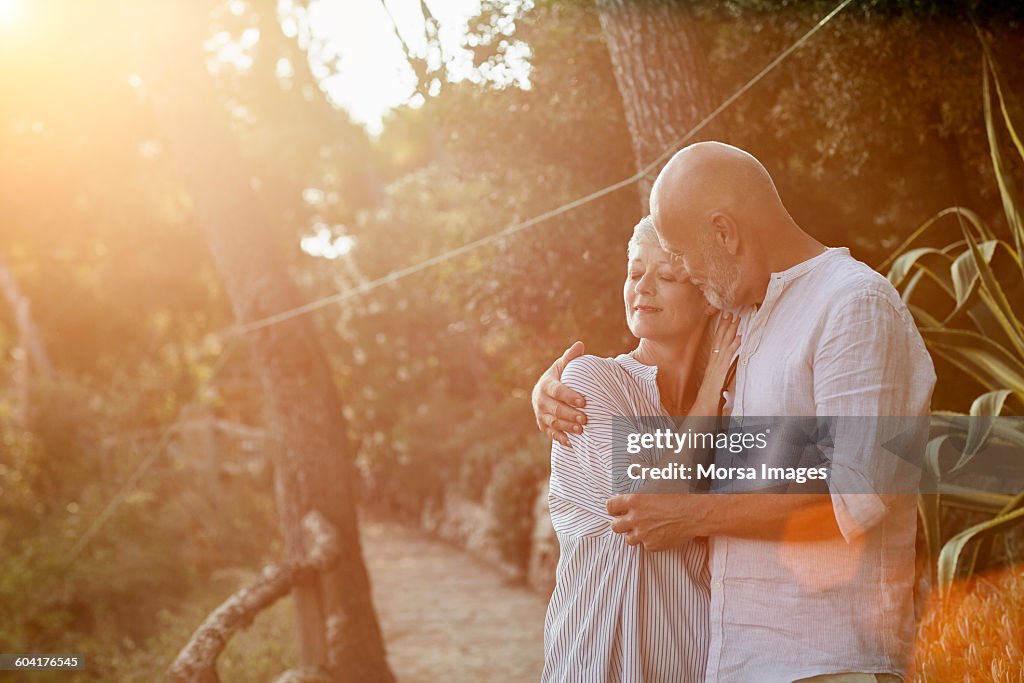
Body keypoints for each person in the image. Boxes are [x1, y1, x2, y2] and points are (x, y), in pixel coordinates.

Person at [533, 142, 936, 683]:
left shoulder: (852, 304)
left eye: (682, 262)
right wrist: (548, 391)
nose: (690, 274)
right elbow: (684, 469)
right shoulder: (751, 321)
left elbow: (858, 492)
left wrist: (693, 514)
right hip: (740, 662)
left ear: (724, 233)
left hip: (830, 661)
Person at [542, 215, 740, 682]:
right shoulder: (592, 380)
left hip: (697, 664)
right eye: (634, 273)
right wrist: (711, 389)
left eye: (667, 275)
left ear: (709, 297)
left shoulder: (741, 408)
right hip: (597, 662)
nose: (643, 287)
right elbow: (652, 504)